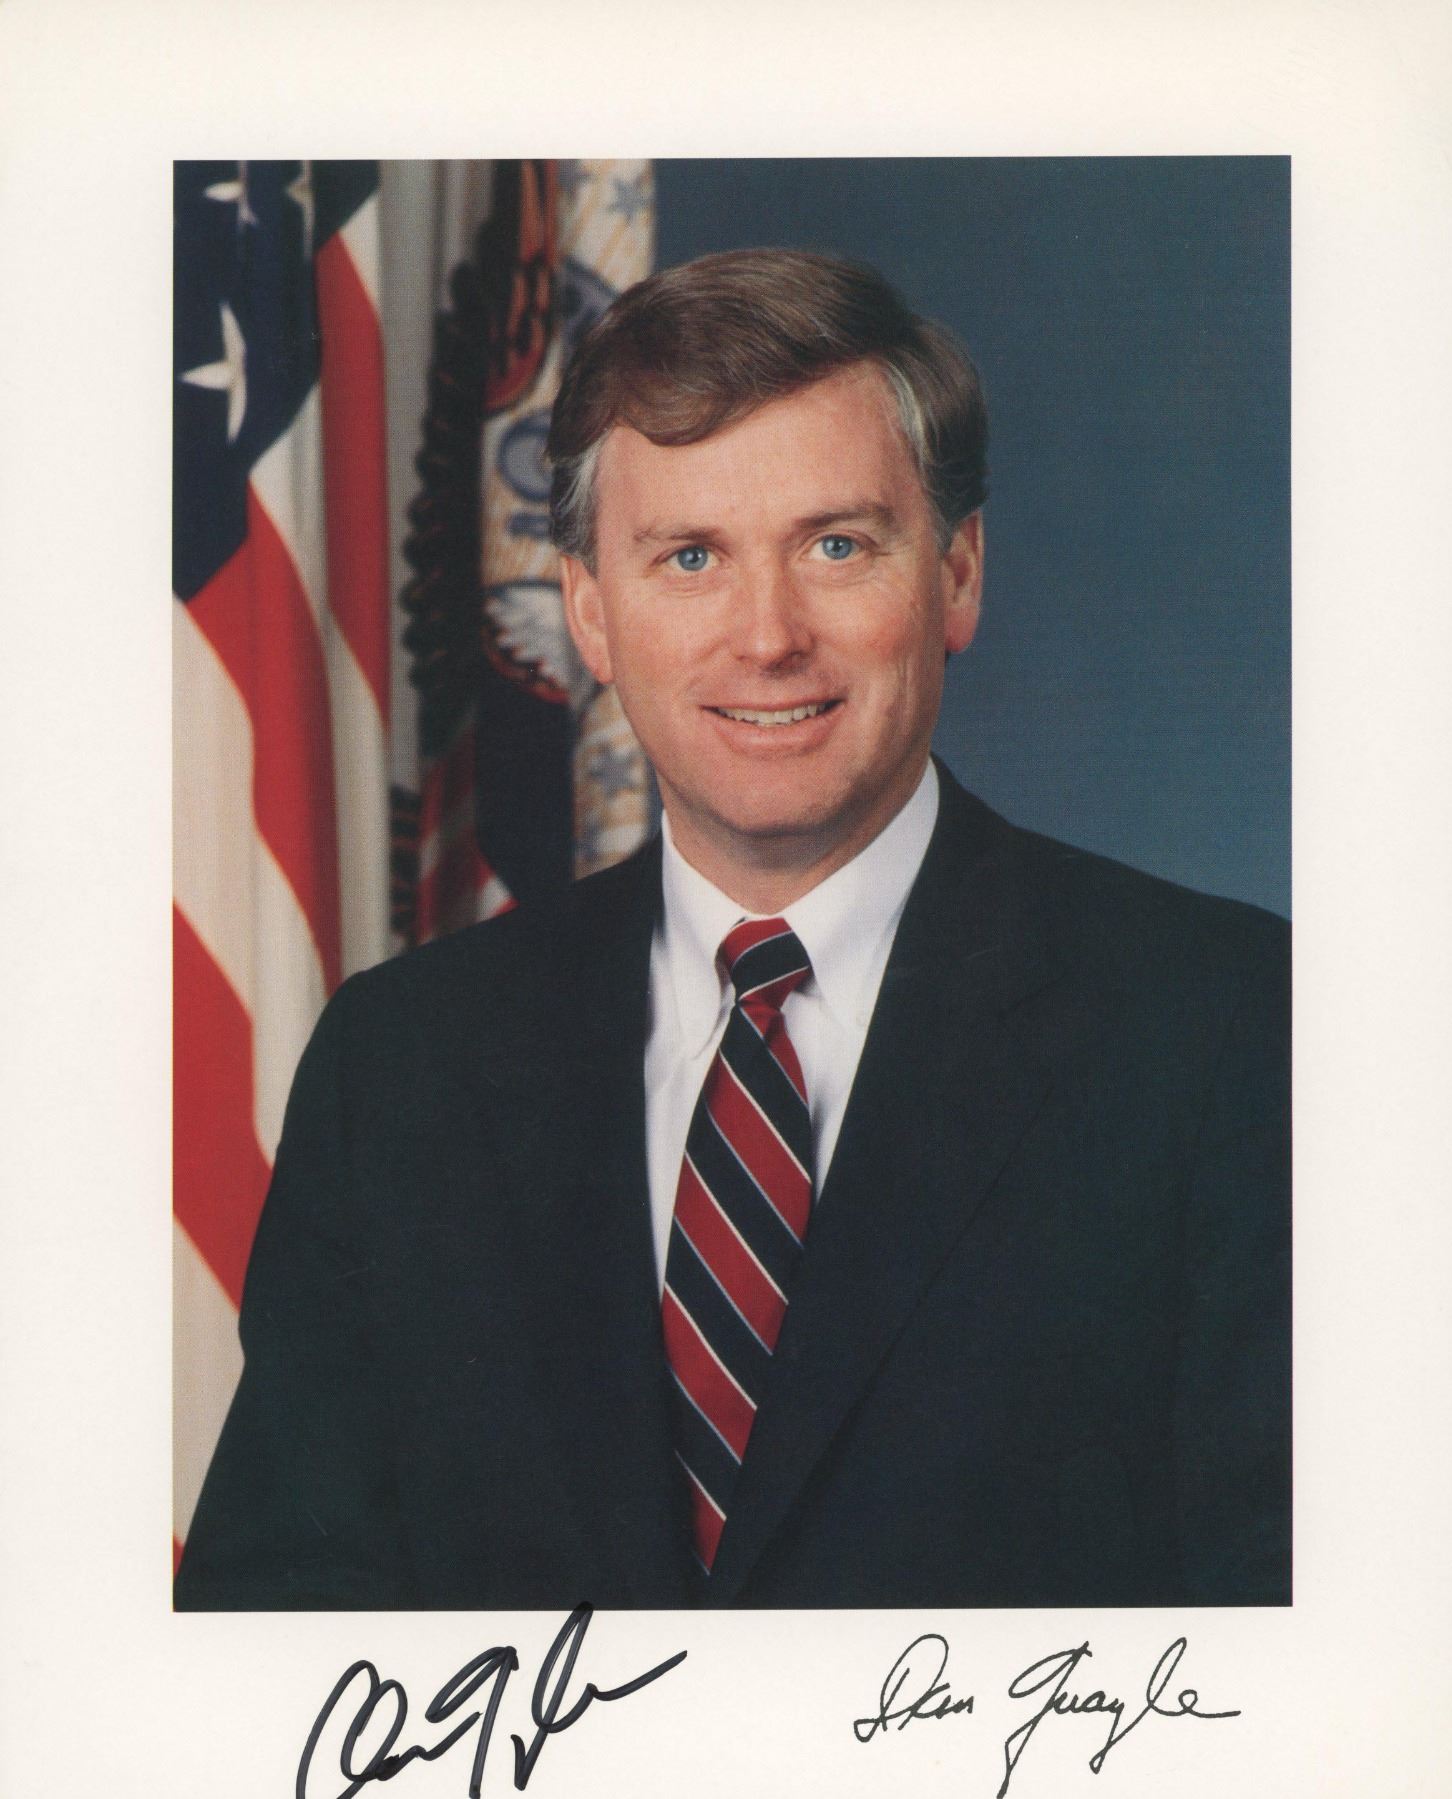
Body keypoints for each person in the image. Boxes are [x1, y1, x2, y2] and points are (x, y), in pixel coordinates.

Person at [175, 248, 1289, 1611]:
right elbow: (272, 1645)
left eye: (837, 546)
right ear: (592, 611)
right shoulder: (399, 1068)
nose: (767, 638)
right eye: (690, 557)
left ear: (956, 576)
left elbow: (1292, 1649)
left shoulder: (1230, 1032)